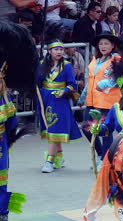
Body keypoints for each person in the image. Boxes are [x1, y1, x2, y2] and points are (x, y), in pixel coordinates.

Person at [0, 20, 37, 221]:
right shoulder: (6, 100)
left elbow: (12, 124)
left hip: (0, 146)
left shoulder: (5, 101)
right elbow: (12, 125)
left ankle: (2, 211)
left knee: (1, 179)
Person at [37, 24, 82, 173]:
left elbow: (72, 85)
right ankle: (59, 156)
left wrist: (64, 91)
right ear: (49, 51)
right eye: (56, 49)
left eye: (61, 49)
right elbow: (37, 81)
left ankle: (49, 161)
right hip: (45, 99)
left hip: (60, 101)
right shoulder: (43, 64)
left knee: (56, 129)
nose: (59, 52)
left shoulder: (67, 65)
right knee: (51, 128)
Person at [78, 31, 121, 164]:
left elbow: (118, 79)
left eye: (106, 43)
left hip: (106, 101)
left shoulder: (116, 59)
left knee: (105, 131)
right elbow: (91, 79)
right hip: (91, 100)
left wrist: (104, 84)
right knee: (87, 128)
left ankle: (106, 159)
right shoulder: (94, 60)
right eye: (101, 43)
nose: (103, 46)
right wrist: (83, 96)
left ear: (112, 45)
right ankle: (100, 153)